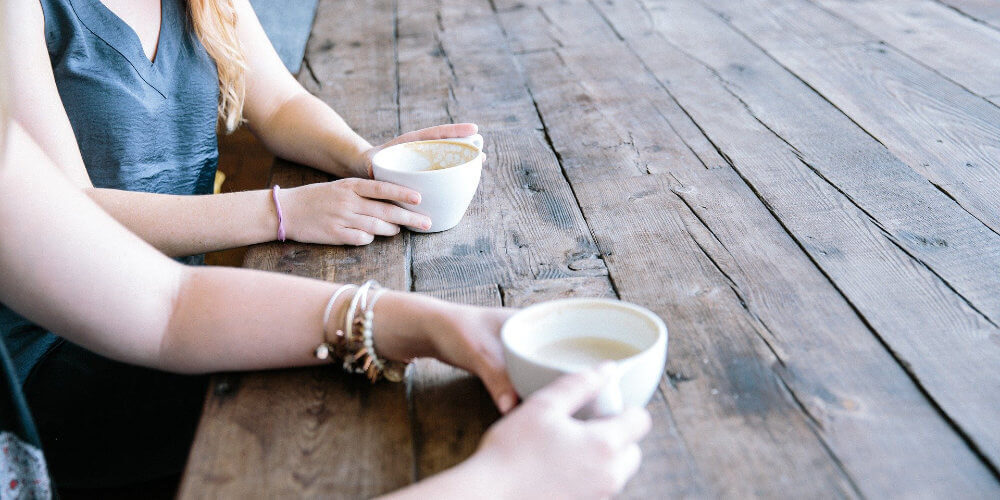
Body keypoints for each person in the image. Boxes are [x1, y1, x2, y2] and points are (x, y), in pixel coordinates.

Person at [0, 4, 651, 498]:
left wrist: (376, 172)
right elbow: (79, 218)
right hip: (49, 359)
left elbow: (169, 304)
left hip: (149, 312)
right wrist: (282, 212)